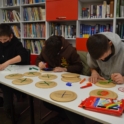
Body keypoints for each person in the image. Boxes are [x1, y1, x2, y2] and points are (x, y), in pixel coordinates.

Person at [36, 35, 85, 124]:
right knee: (46, 101)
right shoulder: (46, 48)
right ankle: (64, 114)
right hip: (53, 80)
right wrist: (39, 63)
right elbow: (39, 59)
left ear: (60, 48)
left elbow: (79, 66)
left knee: (69, 100)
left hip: (69, 82)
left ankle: (68, 115)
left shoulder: (70, 50)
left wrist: (65, 69)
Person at [0, 24, 28, 118]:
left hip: (14, 72)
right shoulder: (0, 41)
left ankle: (8, 109)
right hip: (2, 71)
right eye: (0, 40)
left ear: (10, 36)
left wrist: (7, 63)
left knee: (5, 86)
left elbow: (24, 55)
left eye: (4, 39)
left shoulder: (16, 43)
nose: (2, 42)